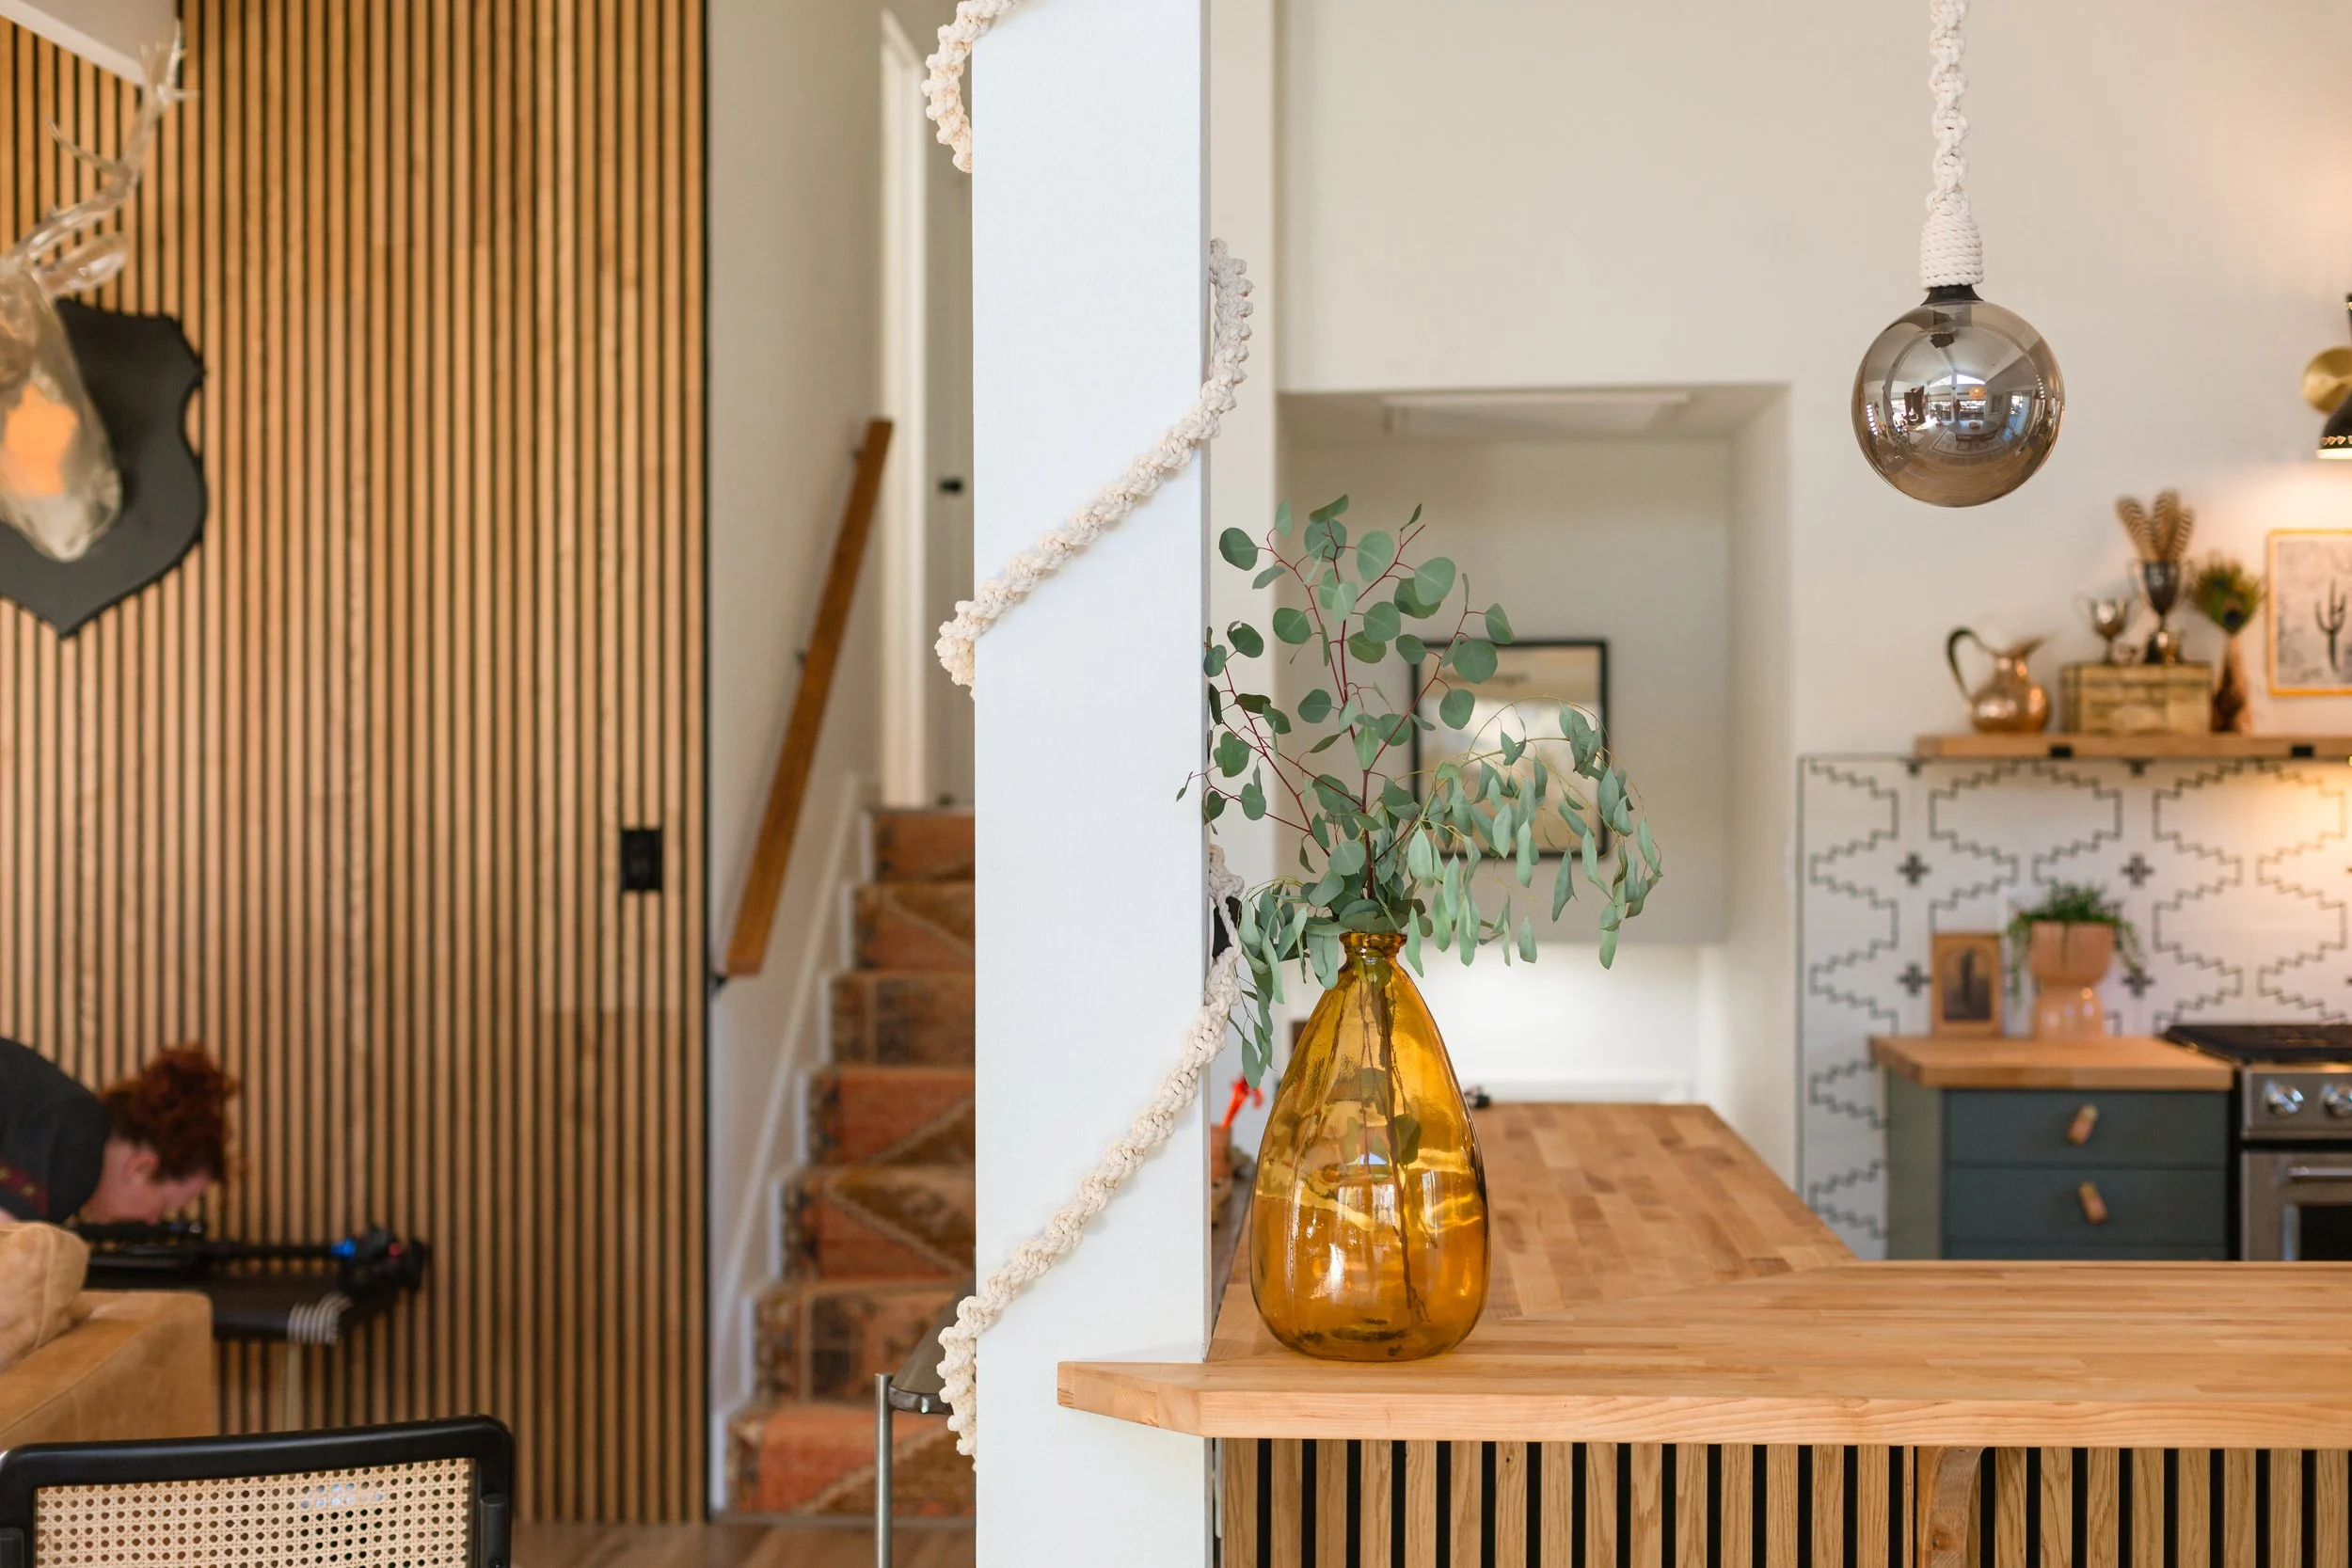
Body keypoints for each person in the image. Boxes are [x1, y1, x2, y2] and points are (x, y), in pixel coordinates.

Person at [0, 1039, 236, 1224]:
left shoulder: (71, 1118)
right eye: (163, 1207)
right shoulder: (78, 1150)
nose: (152, 1221)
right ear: (141, 1168)